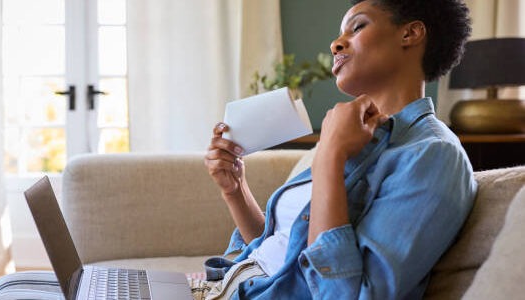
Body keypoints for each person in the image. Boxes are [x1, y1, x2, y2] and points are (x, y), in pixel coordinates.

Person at [200, 0, 477, 299]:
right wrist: (235, 189)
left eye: (357, 27)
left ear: (410, 34)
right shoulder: (355, 137)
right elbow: (282, 258)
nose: (335, 44)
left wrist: (330, 155)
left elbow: (346, 294)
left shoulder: (433, 155)